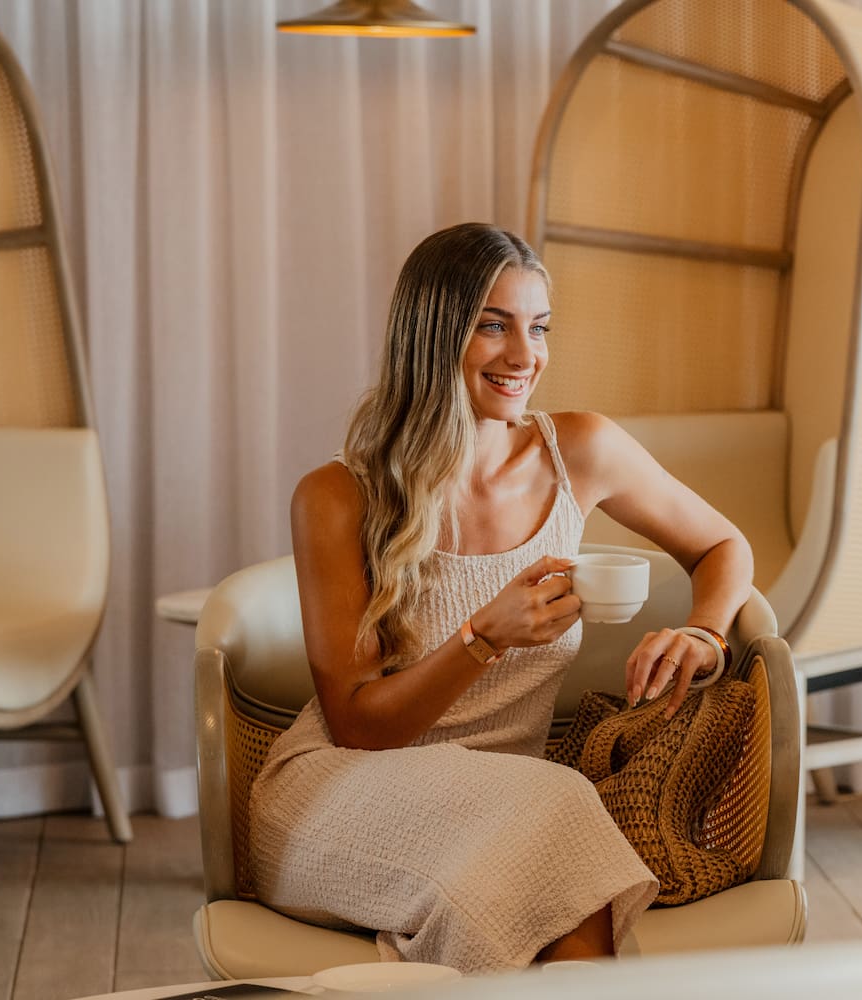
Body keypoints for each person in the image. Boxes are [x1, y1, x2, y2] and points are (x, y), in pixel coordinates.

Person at [248, 223, 755, 971]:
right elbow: (357, 726)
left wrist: (706, 634)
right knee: (559, 813)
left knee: (544, 851)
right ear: (432, 333)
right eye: (493, 326)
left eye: (538, 328)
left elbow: (722, 545)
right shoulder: (337, 496)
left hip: (506, 814)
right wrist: (482, 637)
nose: (525, 357)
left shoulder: (579, 450)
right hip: (340, 800)